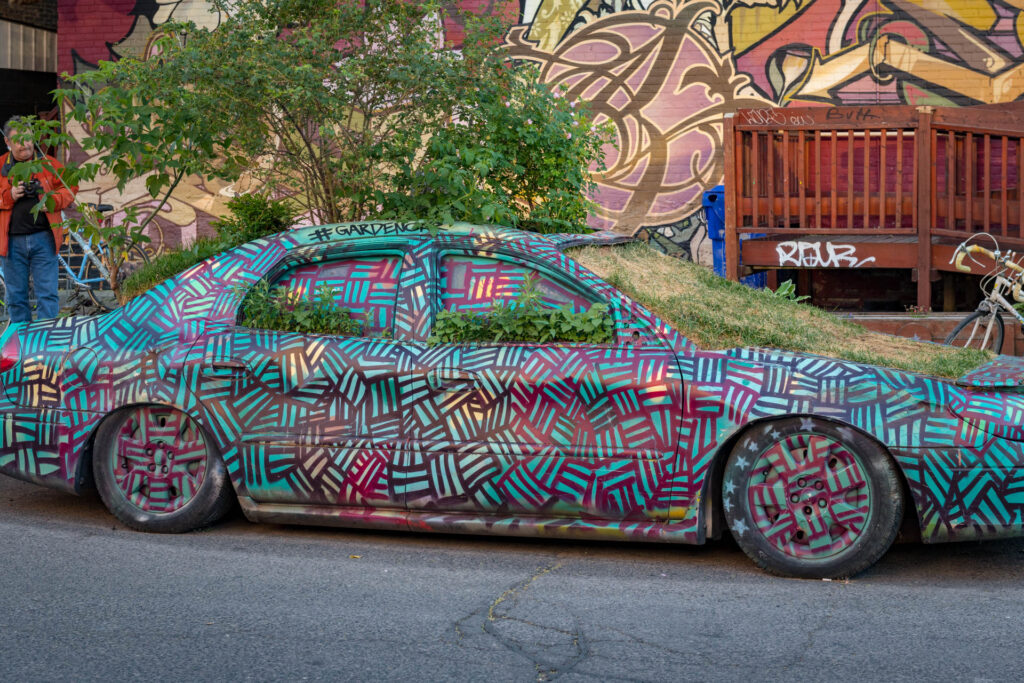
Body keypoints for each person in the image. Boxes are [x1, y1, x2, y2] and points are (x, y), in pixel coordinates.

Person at [0, 116, 77, 322]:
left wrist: (51, 200)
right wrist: (9, 196)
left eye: (28, 139)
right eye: (18, 140)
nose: (25, 144)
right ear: (7, 142)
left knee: (48, 296)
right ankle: (23, 347)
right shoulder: (0, 166)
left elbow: (70, 188)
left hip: (44, 239)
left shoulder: (48, 163)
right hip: (11, 243)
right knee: (16, 298)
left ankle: (46, 346)